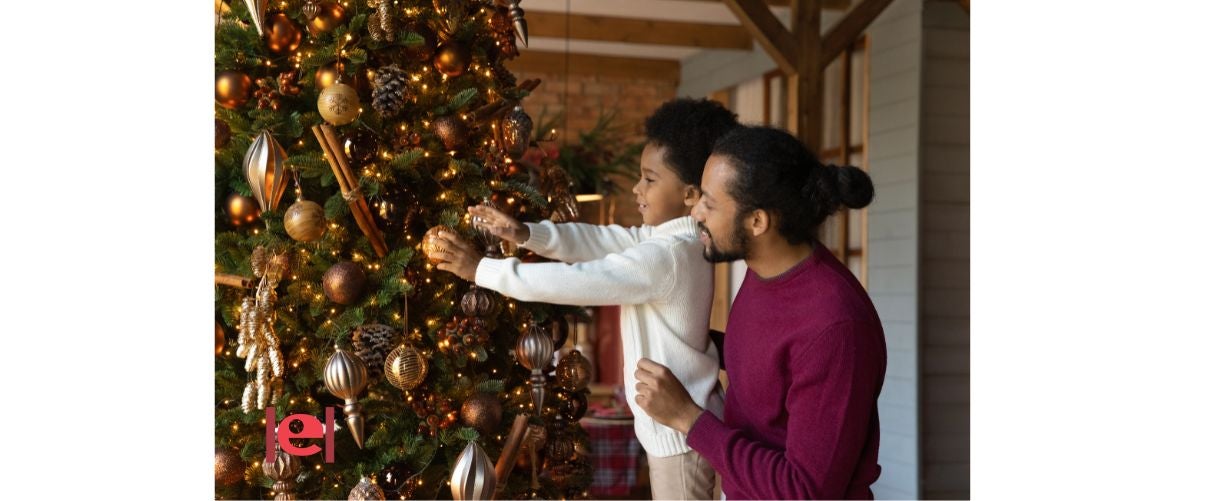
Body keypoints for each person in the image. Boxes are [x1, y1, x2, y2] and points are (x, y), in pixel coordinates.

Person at [431, 98, 740, 500]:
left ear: (689, 194)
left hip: (679, 436)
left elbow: (579, 281)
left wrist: (481, 271)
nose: (637, 188)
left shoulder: (669, 255)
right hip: (679, 429)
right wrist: (527, 234)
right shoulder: (668, 241)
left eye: (649, 179)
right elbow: (601, 240)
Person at [633, 125, 887, 500]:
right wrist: (683, 341)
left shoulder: (835, 326)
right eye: (700, 194)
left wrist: (687, 418)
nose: (695, 211)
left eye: (711, 203)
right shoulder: (763, 271)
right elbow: (768, 371)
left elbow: (804, 491)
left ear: (758, 222)